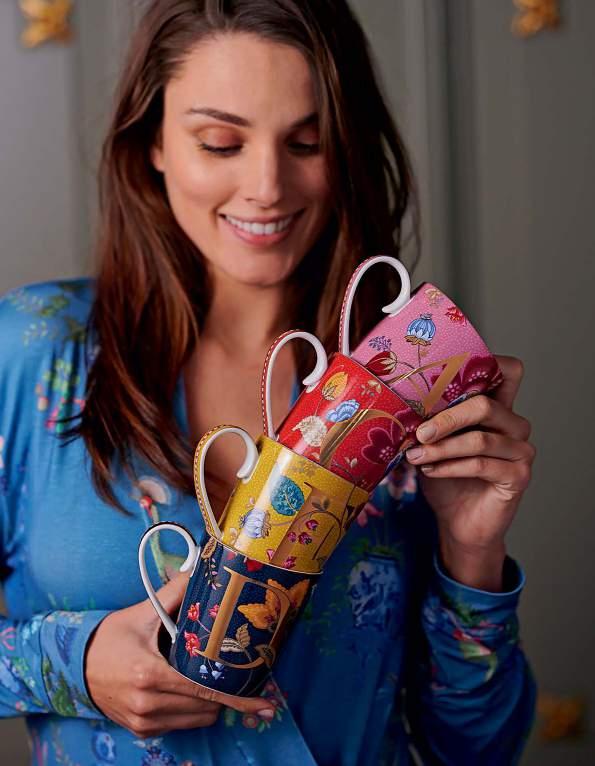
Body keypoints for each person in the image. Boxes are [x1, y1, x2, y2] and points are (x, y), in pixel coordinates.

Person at [0, 1, 537, 764]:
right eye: (220, 142)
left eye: (306, 142)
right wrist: (70, 664)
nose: (266, 186)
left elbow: (476, 748)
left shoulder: (412, 392)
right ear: (153, 142)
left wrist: (471, 548)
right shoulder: (33, 351)